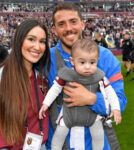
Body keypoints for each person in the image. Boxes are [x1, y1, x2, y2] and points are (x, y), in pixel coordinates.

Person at [47, 2, 127, 150]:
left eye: (73, 21)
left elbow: (120, 102)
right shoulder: (45, 59)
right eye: (61, 24)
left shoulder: (105, 57)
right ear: (54, 29)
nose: (69, 28)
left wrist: (92, 99)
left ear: (82, 24)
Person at [39, 38, 121, 150]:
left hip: (91, 116)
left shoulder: (100, 76)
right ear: (73, 61)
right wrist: (46, 104)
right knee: (59, 135)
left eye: (92, 62)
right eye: (82, 62)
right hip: (69, 115)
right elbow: (55, 88)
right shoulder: (66, 74)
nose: (87, 67)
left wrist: (116, 108)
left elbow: (110, 92)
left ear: (97, 60)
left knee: (99, 136)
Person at [0, 19, 50, 150]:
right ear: (19, 40)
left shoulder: (43, 77)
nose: (37, 47)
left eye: (42, 41)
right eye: (31, 39)